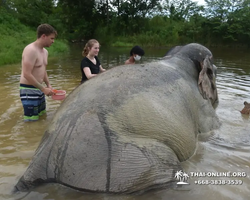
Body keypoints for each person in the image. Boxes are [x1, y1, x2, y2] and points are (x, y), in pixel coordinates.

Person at [19, 23, 57, 122]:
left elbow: (43, 70)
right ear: (43, 36)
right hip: (28, 89)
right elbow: (26, 74)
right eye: (51, 38)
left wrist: (48, 85)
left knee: (41, 116)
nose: (53, 41)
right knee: (31, 121)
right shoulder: (30, 50)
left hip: (39, 88)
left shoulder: (45, 52)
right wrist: (43, 88)